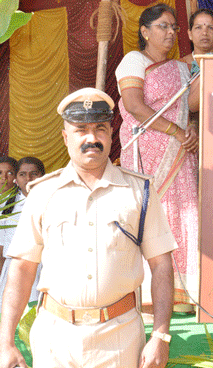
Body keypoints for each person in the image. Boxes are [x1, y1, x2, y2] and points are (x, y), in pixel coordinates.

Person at [0, 88, 177, 368]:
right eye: (81, 130)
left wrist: (160, 335)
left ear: (110, 134)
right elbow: (21, 269)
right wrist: (5, 341)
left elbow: (162, 265)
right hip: (55, 339)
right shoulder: (43, 193)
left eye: (100, 129)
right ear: (65, 136)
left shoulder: (140, 191)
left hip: (119, 340)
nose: (91, 139)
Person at [116, 3, 200, 308]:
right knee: (152, 217)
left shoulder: (181, 68)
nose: (170, 33)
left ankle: (183, 294)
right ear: (144, 31)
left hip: (180, 153)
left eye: (174, 27)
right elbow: (136, 106)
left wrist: (189, 131)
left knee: (184, 213)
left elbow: (187, 108)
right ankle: (147, 296)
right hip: (145, 152)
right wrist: (177, 132)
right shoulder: (133, 61)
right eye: (163, 26)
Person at [0, 157, 45, 310]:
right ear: (16, 179)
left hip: (42, 269)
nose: (28, 179)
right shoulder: (6, 206)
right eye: (22, 174)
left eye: (34, 174)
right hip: (11, 269)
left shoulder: (51, 202)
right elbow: (1, 249)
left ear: (43, 176)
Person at [180, 8, 213, 75]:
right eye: (198, 27)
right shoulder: (181, 64)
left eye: (210, 28)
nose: (204, 33)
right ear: (190, 34)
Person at [0, 156, 18, 274]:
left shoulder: (20, 202)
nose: (4, 178)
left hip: (8, 264)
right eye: (0, 173)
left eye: (10, 173)